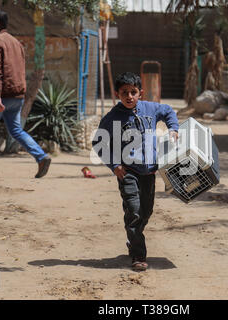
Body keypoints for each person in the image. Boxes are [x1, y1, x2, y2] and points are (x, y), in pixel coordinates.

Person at [92, 72, 179, 271]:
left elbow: (168, 111)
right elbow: (99, 142)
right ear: (117, 94)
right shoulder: (112, 117)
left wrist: (173, 128)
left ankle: (133, 238)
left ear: (141, 92)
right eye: (124, 93)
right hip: (128, 172)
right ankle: (139, 255)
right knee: (134, 210)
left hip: (149, 172)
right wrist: (114, 165)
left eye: (133, 92)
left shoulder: (150, 108)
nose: (129, 96)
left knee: (146, 212)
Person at [0, 11, 51, 178]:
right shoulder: (16, 42)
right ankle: (41, 157)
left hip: (2, 95)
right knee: (16, 130)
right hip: (17, 95)